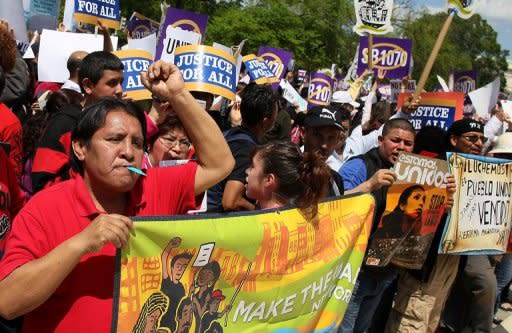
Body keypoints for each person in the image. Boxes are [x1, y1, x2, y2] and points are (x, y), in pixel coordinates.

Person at [0, 60, 234, 332]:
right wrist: (83, 243)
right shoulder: (45, 207)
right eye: (114, 139)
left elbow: (220, 164)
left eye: (137, 143)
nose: (128, 152)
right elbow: (8, 302)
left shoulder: (154, 186)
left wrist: (179, 95)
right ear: (80, 148)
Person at [338, 118, 416, 333]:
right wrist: (369, 185)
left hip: (384, 271)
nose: (401, 147)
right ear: (381, 140)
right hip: (355, 271)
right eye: (395, 140)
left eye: (407, 143)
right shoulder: (359, 166)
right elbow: (332, 204)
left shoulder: (414, 173)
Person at [31, 50, 125, 193]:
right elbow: (42, 182)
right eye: (112, 83)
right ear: (88, 85)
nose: (119, 90)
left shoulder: (116, 120)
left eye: (121, 82)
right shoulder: (65, 123)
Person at [441, 118, 495, 333]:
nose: (478, 143)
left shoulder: (487, 169)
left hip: (473, 239)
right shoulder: (440, 164)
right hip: (442, 239)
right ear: (454, 140)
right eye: (472, 138)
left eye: (482, 139)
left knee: (485, 283)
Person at [207, 83, 277, 212]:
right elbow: (230, 202)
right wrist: (258, 212)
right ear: (266, 121)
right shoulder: (247, 149)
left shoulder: (228, 134)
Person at [245, 141, 331, 218]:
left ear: (268, 180)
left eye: (252, 166)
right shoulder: (301, 216)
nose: (247, 171)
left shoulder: (261, 224)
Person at [160, 237, 192, 332]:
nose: (180, 269)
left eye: (183, 267)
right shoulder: (167, 282)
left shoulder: (182, 288)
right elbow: (163, 257)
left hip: (176, 323)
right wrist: (170, 245)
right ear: (172, 267)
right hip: (164, 323)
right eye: (178, 266)